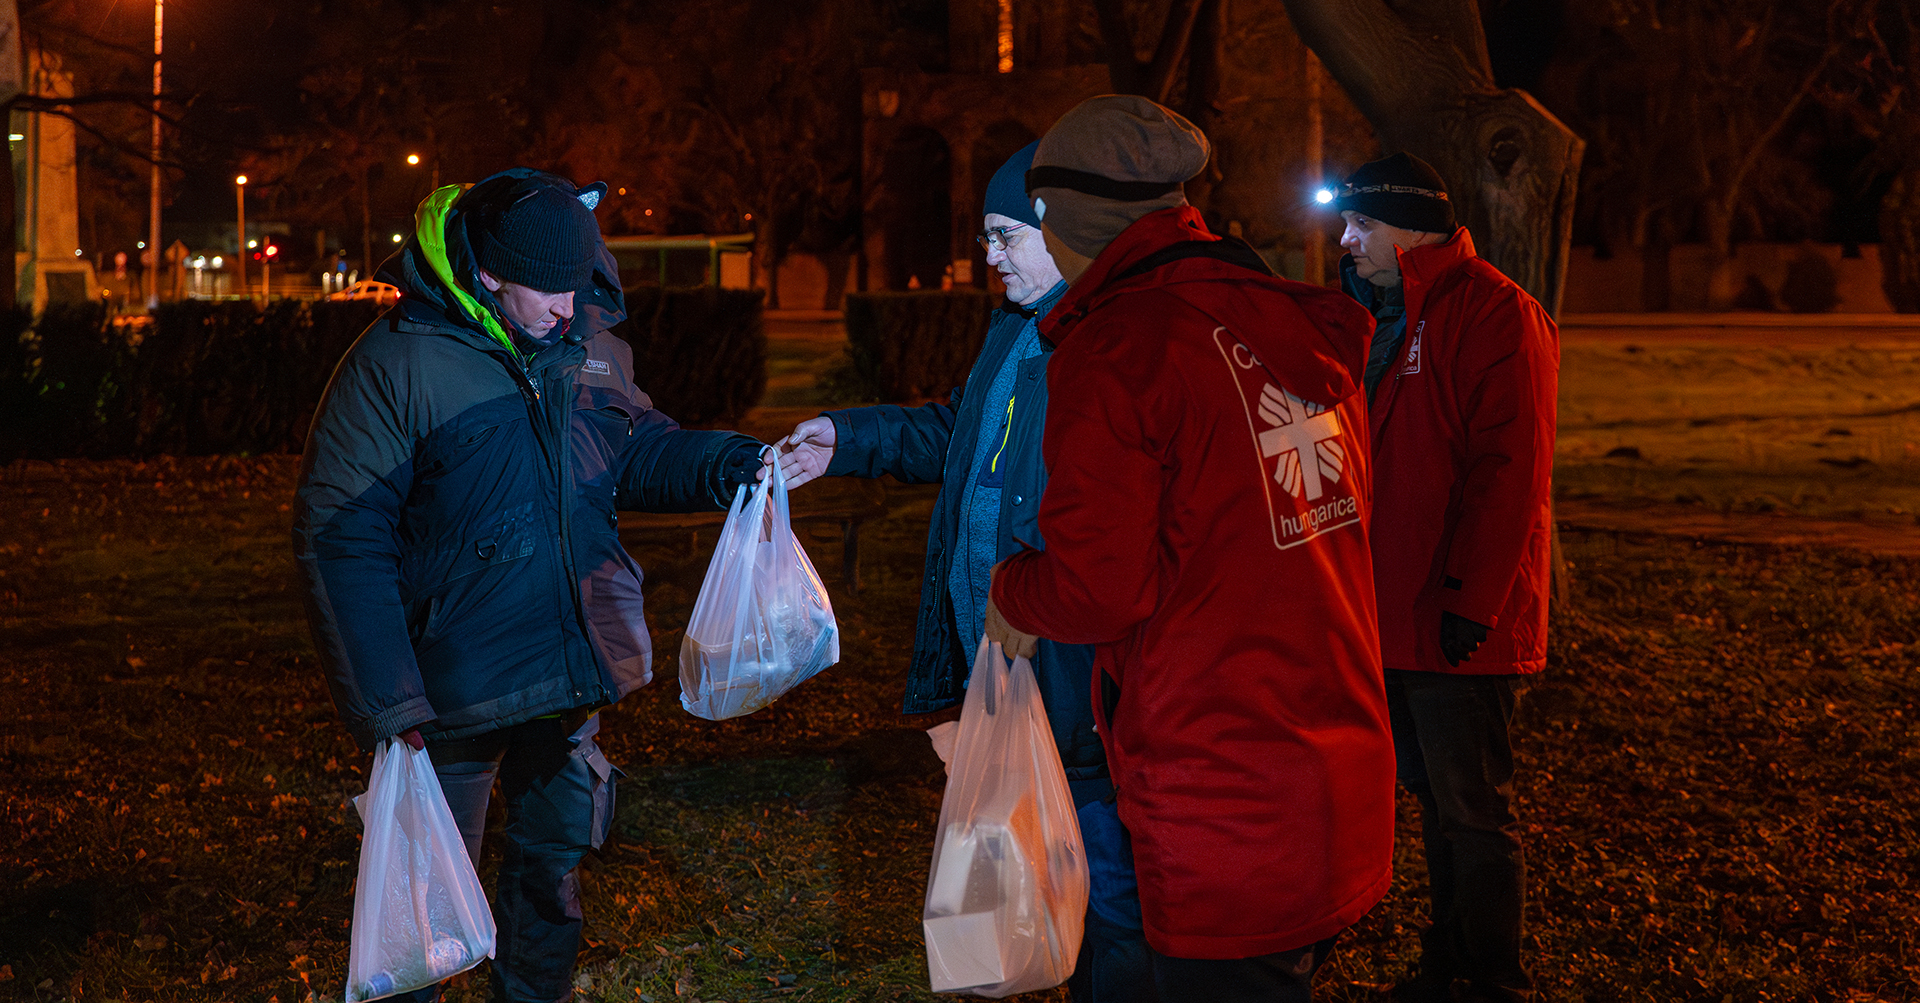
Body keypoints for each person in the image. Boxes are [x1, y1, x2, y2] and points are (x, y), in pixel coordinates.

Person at [293, 168, 768, 1003]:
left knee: (552, 875)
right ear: (487, 274)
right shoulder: (397, 366)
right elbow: (341, 538)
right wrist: (389, 703)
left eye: (578, 284)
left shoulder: (587, 348)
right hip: (449, 699)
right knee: (427, 906)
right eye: (547, 288)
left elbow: (635, 453)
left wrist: (737, 461)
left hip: (564, 672)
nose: (566, 306)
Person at [984, 95, 1396, 1002]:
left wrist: (1013, 588)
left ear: (1071, 221)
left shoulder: (1123, 349)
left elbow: (1097, 589)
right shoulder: (1288, 318)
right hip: (1331, 760)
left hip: (1216, 780)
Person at [776, 142, 1150, 1001]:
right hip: (1003, 662)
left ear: (1063, 231)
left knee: (1107, 885)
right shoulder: (1019, 328)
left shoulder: (1109, 341)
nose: (989, 258)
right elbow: (965, 433)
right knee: (1033, 879)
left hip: (1076, 675)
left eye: (1004, 236)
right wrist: (850, 437)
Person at [1331, 152, 1558, 1003]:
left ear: (1410, 228)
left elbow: (1510, 471)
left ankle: (1495, 976)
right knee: (1436, 804)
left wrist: (1472, 598)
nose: (1347, 241)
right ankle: (1452, 961)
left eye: (1362, 226)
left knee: (1473, 810)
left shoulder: (1496, 314)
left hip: (1460, 619)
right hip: (1395, 611)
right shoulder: (1382, 312)